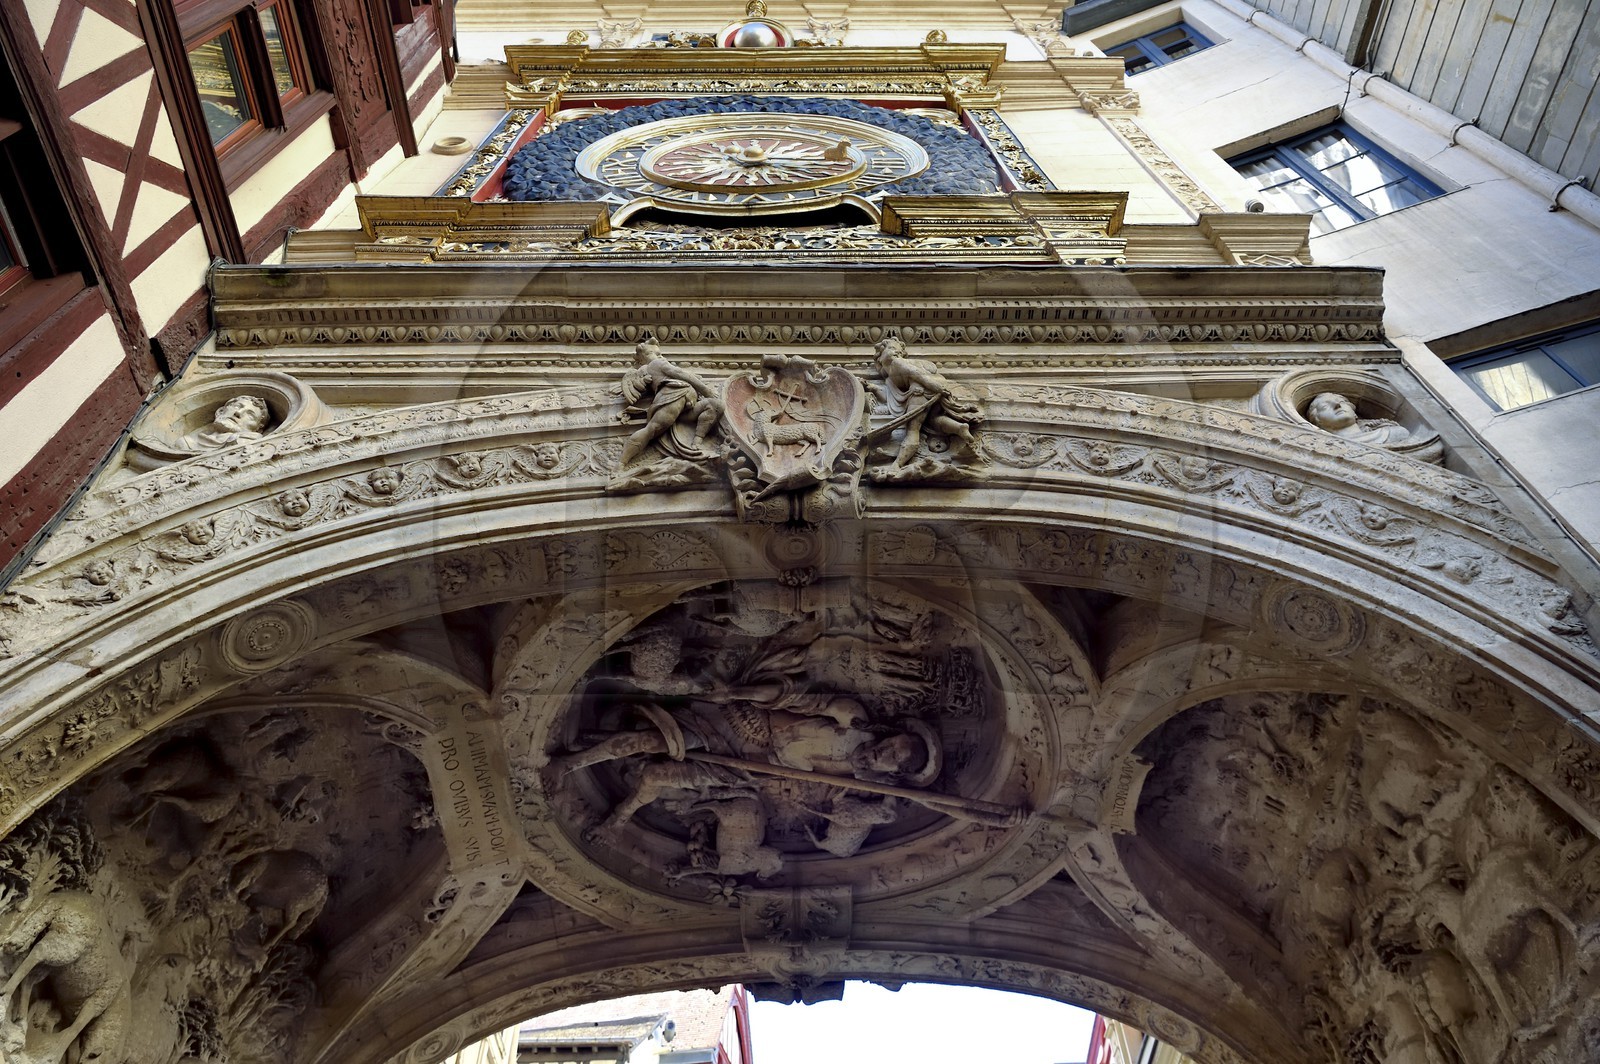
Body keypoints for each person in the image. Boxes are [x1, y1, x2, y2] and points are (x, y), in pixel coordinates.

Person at [871, 337, 983, 467]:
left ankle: (897, 465)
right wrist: (872, 388)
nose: (898, 353)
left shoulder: (897, 363)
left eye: (900, 352)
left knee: (912, 430)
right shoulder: (888, 374)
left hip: (923, 391)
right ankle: (959, 428)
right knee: (933, 420)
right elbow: (891, 397)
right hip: (927, 390)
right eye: (892, 349)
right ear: (880, 355)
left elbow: (918, 374)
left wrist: (938, 388)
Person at [618, 339, 724, 467]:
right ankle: (622, 462)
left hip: (686, 407)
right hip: (673, 397)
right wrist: (705, 389)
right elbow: (678, 373)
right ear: (644, 358)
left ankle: (697, 440)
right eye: (655, 354)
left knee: (716, 405)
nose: (660, 356)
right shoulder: (655, 364)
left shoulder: (654, 367)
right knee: (652, 429)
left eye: (660, 354)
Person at [181, 396, 271, 450]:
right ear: (220, 411)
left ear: (257, 430)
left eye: (250, 416)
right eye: (237, 406)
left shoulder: (247, 444)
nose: (238, 413)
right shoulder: (186, 443)